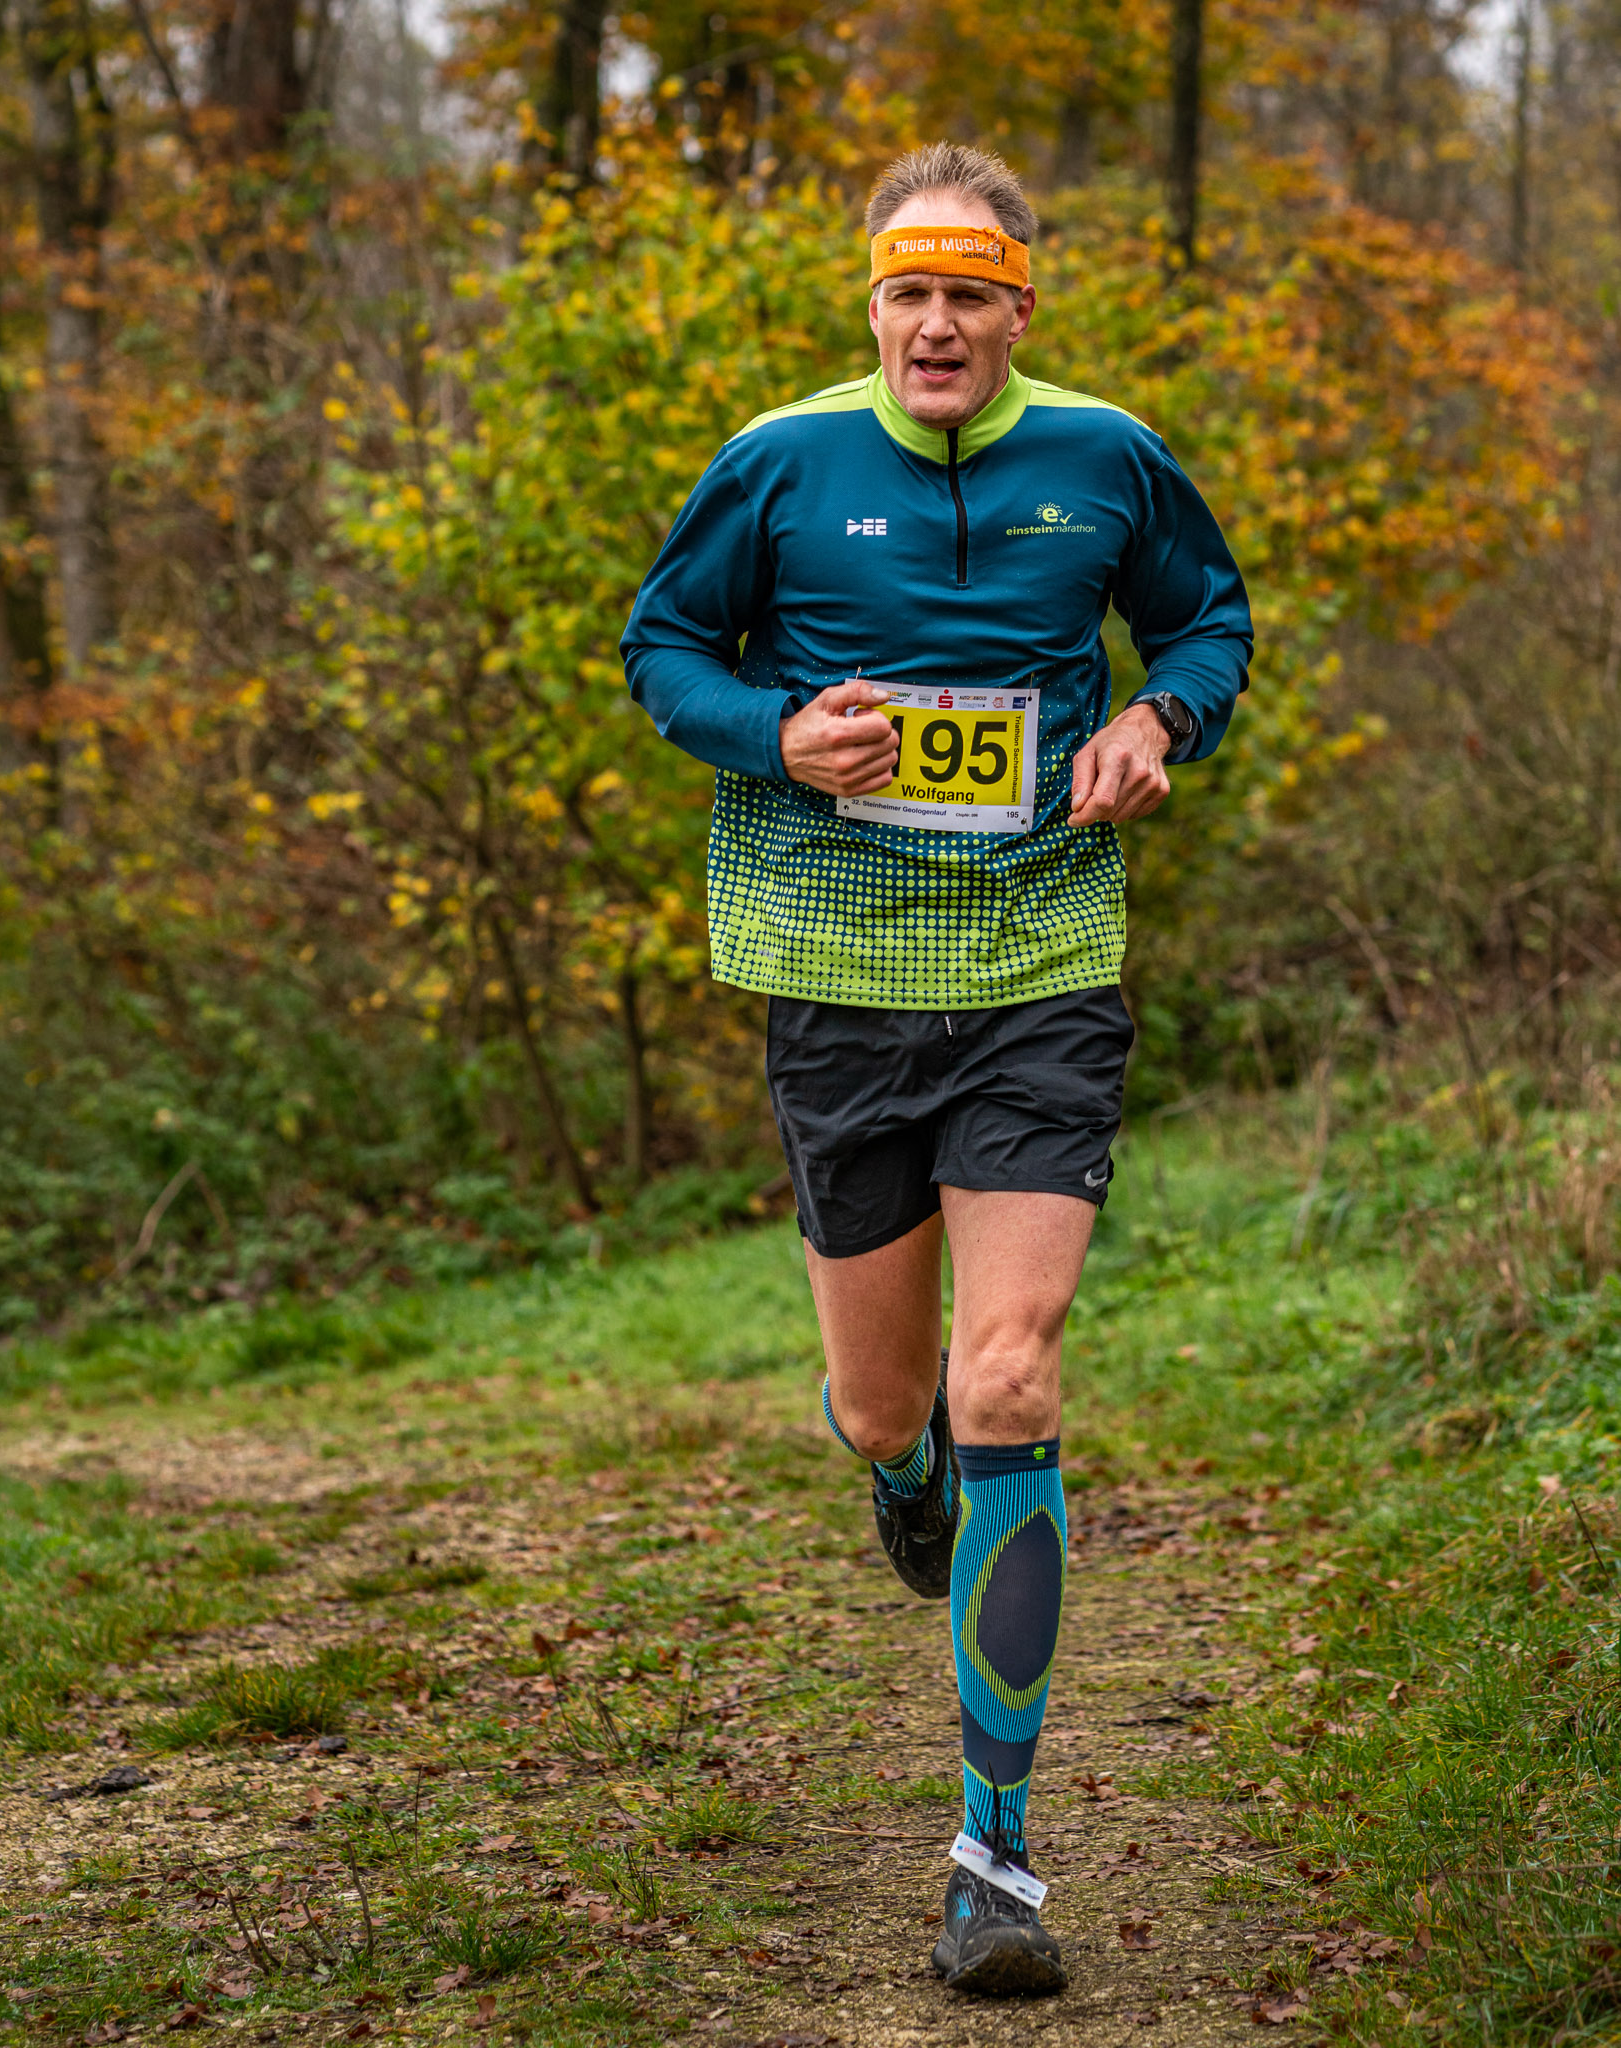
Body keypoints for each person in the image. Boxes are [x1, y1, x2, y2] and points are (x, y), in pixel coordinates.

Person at [621, 140, 1252, 1999]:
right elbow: (663, 649)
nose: (937, 324)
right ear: (874, 305)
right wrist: (771, 734)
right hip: (834, 978)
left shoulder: (1109, 458)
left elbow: (1204, 622)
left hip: (1042, 964)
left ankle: (994, 1859)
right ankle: (900, 1473)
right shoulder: (779, 460)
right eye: (908, 292)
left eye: (970, 293)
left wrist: (1158, 716)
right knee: (889, 1402)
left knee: (1013, 1373)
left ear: (1019, 308)